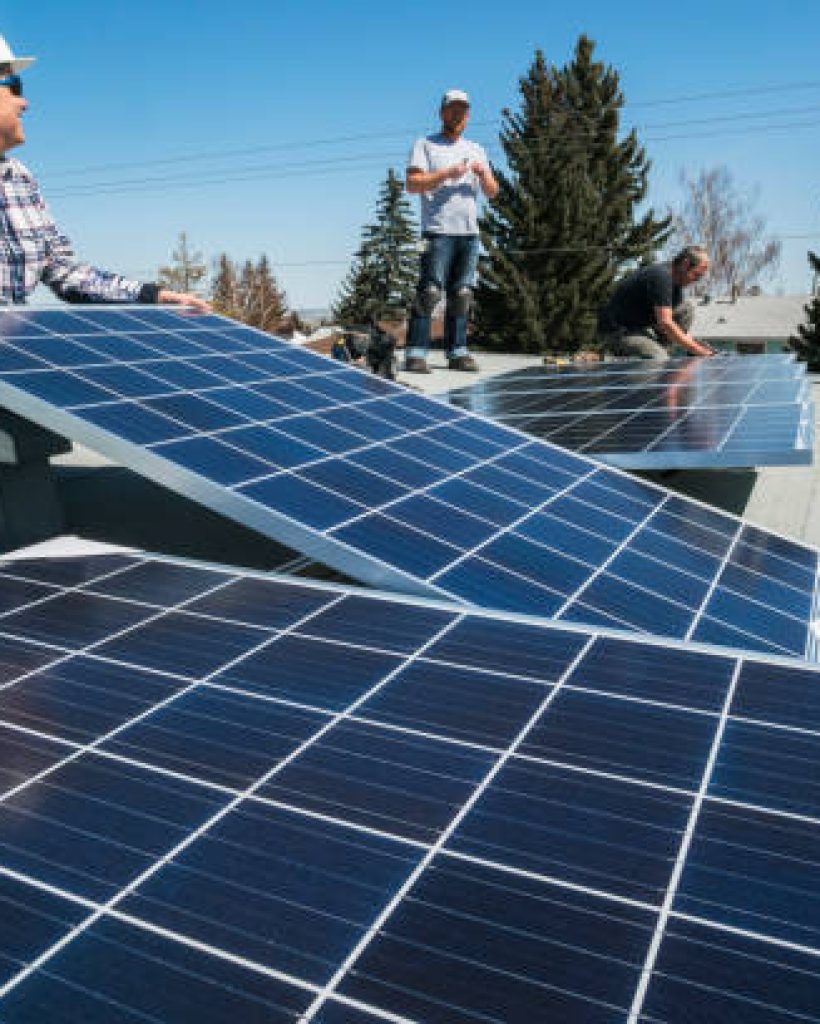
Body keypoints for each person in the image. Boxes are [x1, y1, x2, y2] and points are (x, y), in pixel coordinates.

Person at [0, 34, 209, 311]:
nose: (24, 103)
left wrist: (152, 295)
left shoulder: (20, 180)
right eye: (15, 87)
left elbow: (63, 271)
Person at [404, 89, 498, 373]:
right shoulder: (426, 145)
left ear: (468, 117)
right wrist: (447, 174)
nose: (457, 115)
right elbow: (412, 183)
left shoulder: (477, 149)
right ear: (442, 113)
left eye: (462, 110)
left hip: (469, 233)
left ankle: (457, 352)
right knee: (430, 291)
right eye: (452, 109)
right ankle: (416, 353)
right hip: (437, 231)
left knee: (462, 294)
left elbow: (493, 192)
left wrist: (483, 176)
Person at [598, 246, 715, 360]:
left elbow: (671, 324)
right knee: (660, 359)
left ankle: (664, 349)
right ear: (685, 264)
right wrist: (695, 349)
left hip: (640, 328)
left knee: (685, 309)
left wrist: (695, 343)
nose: (696, 281)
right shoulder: (661, 277)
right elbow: (665, 322)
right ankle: (661, 357)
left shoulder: (676, 286)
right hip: (617, 332)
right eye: (696, 275)